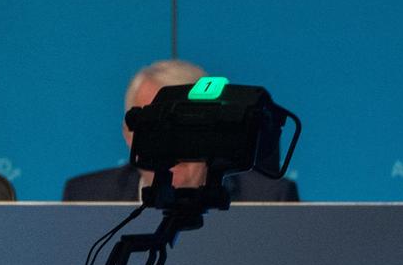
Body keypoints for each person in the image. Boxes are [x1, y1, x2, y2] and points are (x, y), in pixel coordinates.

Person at [62, 59, 299, 202]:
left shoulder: (269, 197)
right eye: (156, 128)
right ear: (128, 134)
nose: (171, 146)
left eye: (186, 127)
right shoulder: (85, 196)